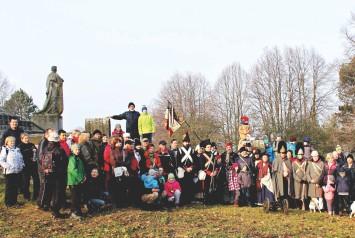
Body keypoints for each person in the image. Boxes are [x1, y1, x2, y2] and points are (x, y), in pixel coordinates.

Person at [37, 131, 67, 218]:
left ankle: (48, 206)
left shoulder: (45, 148)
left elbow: (40, 160)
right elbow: (64, 162)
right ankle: (56, 212)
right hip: (58, 174)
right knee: (57, 192)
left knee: (49, 191)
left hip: (48, 173)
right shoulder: (59, 150)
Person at [0, 136, 25, 207]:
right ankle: (8, 203)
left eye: (13, 141)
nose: (12, 143)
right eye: (11, 141)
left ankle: (14, 202)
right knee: (9, 188)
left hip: (17, 171)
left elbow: (21, 158)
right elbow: (1, 160)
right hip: (9, 172)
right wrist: (7, 166)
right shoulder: (5, 150)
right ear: (7, 142)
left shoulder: (17, 149)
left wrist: (22, 164)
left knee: (15, 187)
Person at [18, 133, 40, 201]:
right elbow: (20, 156)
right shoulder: (20, 146)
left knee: (36, 180)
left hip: (33, 165)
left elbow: (36, 152)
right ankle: (26, 196)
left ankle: (36, 195)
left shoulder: (32, 145)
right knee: (26, 181)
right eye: (25, 138)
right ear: (21, 139)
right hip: (25, 166)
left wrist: (35, 156)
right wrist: (29, 152)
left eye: (27, 138)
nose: (27, 139)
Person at [67, 144, 86, 219]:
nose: (78, 151)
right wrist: (80, 178)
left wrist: (84, 176)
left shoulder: (79, 158)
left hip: (79, 181)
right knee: (74, 197)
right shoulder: (72, 159)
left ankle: (78, 211)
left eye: (78, 149)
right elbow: (73, 170)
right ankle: (74, 212)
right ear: (72, 150)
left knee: (78, 197)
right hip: (73, 181)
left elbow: (82, 169)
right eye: (76, 150)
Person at [177, 133, 195, 205]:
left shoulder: (192, 150)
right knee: (183, 186)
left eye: (187, 141)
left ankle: (189, 200)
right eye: (185, 141)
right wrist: (185, 168)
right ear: (183, 142)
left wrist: (191, 167)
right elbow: (178, 161)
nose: (186, 143)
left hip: (190, 170)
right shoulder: (180, 150)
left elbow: (195, 161)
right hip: (183, 170)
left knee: (190, 185)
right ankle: (183, 201)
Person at [292, 144, 308, 210]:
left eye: (301, 154)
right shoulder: (294, 163)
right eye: (299, 154)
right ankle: (298, 207)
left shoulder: (306, 162)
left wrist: (304, 178)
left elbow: (307, 171)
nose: (300, 155)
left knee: (304, 194)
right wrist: (299, 179)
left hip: (305, 181)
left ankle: (305, 207)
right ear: (296, 154)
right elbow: (293, 173)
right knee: (297, 194)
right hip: (297, 181)